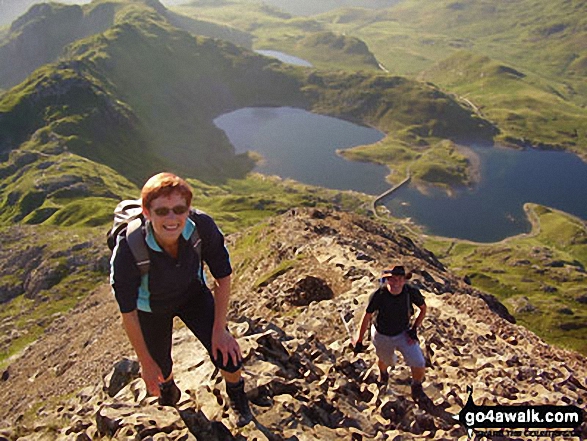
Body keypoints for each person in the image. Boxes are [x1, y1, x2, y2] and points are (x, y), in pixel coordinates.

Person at [110, 172, 253, 426]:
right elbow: (127, 312)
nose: (172, 218)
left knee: (227, 354)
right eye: (162, 211)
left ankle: (237, 398)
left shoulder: (202, 227)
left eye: (179, 209)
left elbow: (223, 277)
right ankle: (169, 390)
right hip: (150, 307)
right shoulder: (129, 247)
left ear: (188, 209)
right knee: (159, 367)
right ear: (146, 211)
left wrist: (220, 330)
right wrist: (145, 362)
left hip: (192, 294)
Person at [353, 264, 428, 402]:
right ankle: (383, 373)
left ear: (404, 280)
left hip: (403, 332)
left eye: (399, 279)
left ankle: (416, 387)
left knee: (419, 362)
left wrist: (414, 329)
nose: (396, 283)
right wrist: (359, 340)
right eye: (392, 279)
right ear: (386, 280)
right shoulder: (378, 295)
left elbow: (423, 309)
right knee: (386, 360)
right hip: (382, 334)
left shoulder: (410, 292)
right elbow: (367, 316)